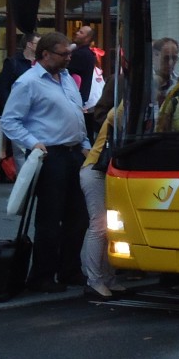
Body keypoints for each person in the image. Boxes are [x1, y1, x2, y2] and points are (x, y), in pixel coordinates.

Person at [0, 31, 91, 293]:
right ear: (45, 54)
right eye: (63, 54)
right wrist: (32, 142)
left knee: (78, 216)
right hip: (50, 155)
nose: (68, 58)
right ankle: (42, 275)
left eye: (69, 54)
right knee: (50, 218)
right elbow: (10, 120)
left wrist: (84, 145)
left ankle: (69, 268)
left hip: (73, 152)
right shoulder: (28, 82)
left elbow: (76, 112)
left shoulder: (65, 79)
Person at [79, 103, 125, 299]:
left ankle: (105, 277)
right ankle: (94, 280)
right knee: (99, 225)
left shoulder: (125, 108)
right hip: (96, 171)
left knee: (107, 226)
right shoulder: (123, 110)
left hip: (101, 171)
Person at [0, 31, 38, 116]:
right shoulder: (13, 62)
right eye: (38, 43)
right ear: (29, 44)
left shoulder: (41, 63)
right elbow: (3, 88)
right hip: (16, 109)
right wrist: (7, 111)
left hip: (33, 109)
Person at [68, 25, 98, 142]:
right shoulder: (83, 53)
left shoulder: (81, 55)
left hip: (75, 98)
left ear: (87, 38)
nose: (77, 33)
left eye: (81, 33)